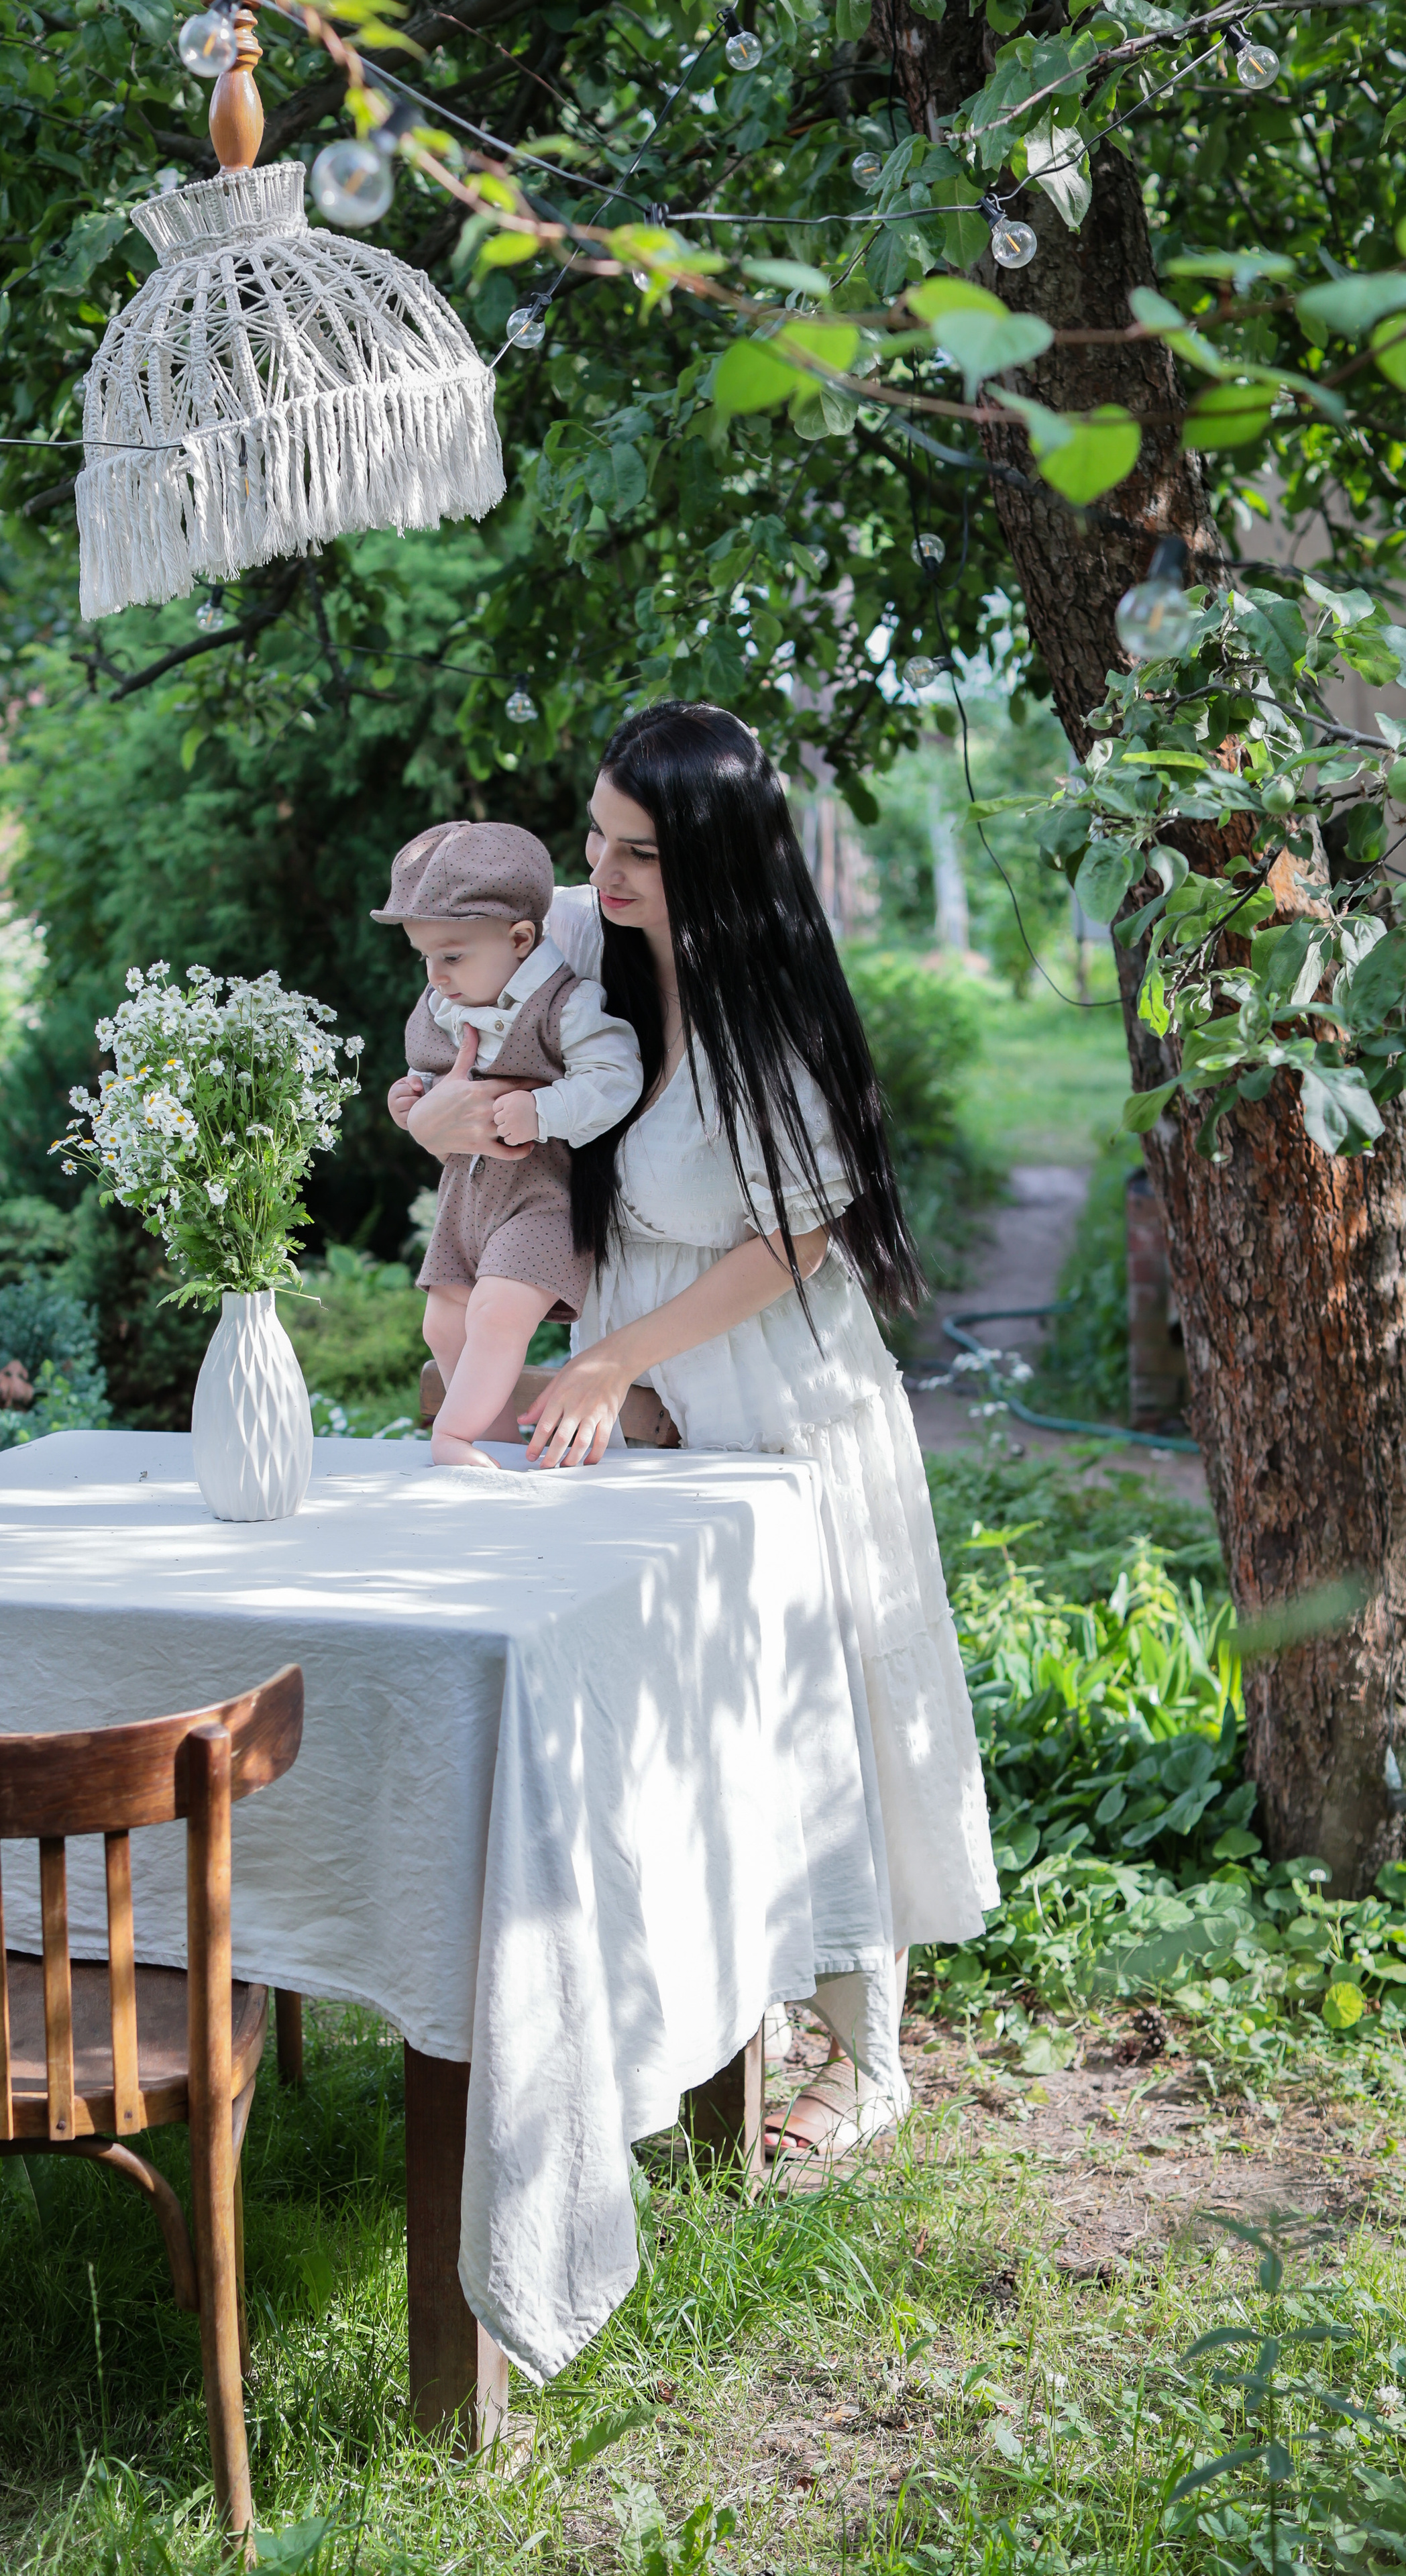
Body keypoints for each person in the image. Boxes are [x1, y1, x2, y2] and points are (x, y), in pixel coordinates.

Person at [394, 704, 996, 2170]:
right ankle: (725, 2010)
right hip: (636, 1363)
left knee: (815, 1697)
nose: (597, 875)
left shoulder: (765, 1014)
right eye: (593, 837)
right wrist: (435, 1118)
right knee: (672, 1702)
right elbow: (457, 1026)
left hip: (765, 1380)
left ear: (713, 865)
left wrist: (609, 1360)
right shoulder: (586, 959)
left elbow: (795, 1237)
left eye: (635, 855)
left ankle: (864, 2058)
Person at [376, 818, 643, 1467]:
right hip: (466, 1197)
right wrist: (411, 1100)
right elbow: (429, 1074)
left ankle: (453, 1436)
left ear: (520, 938)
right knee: (443, 1322)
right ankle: (488, 1441)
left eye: (452, 955)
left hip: (540, 1196)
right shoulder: (445, 1003)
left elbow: (617, 1075)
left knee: (498, 1313)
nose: (436, 976)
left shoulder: (564, 1004)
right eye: (426, 958)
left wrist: (544, 1109)